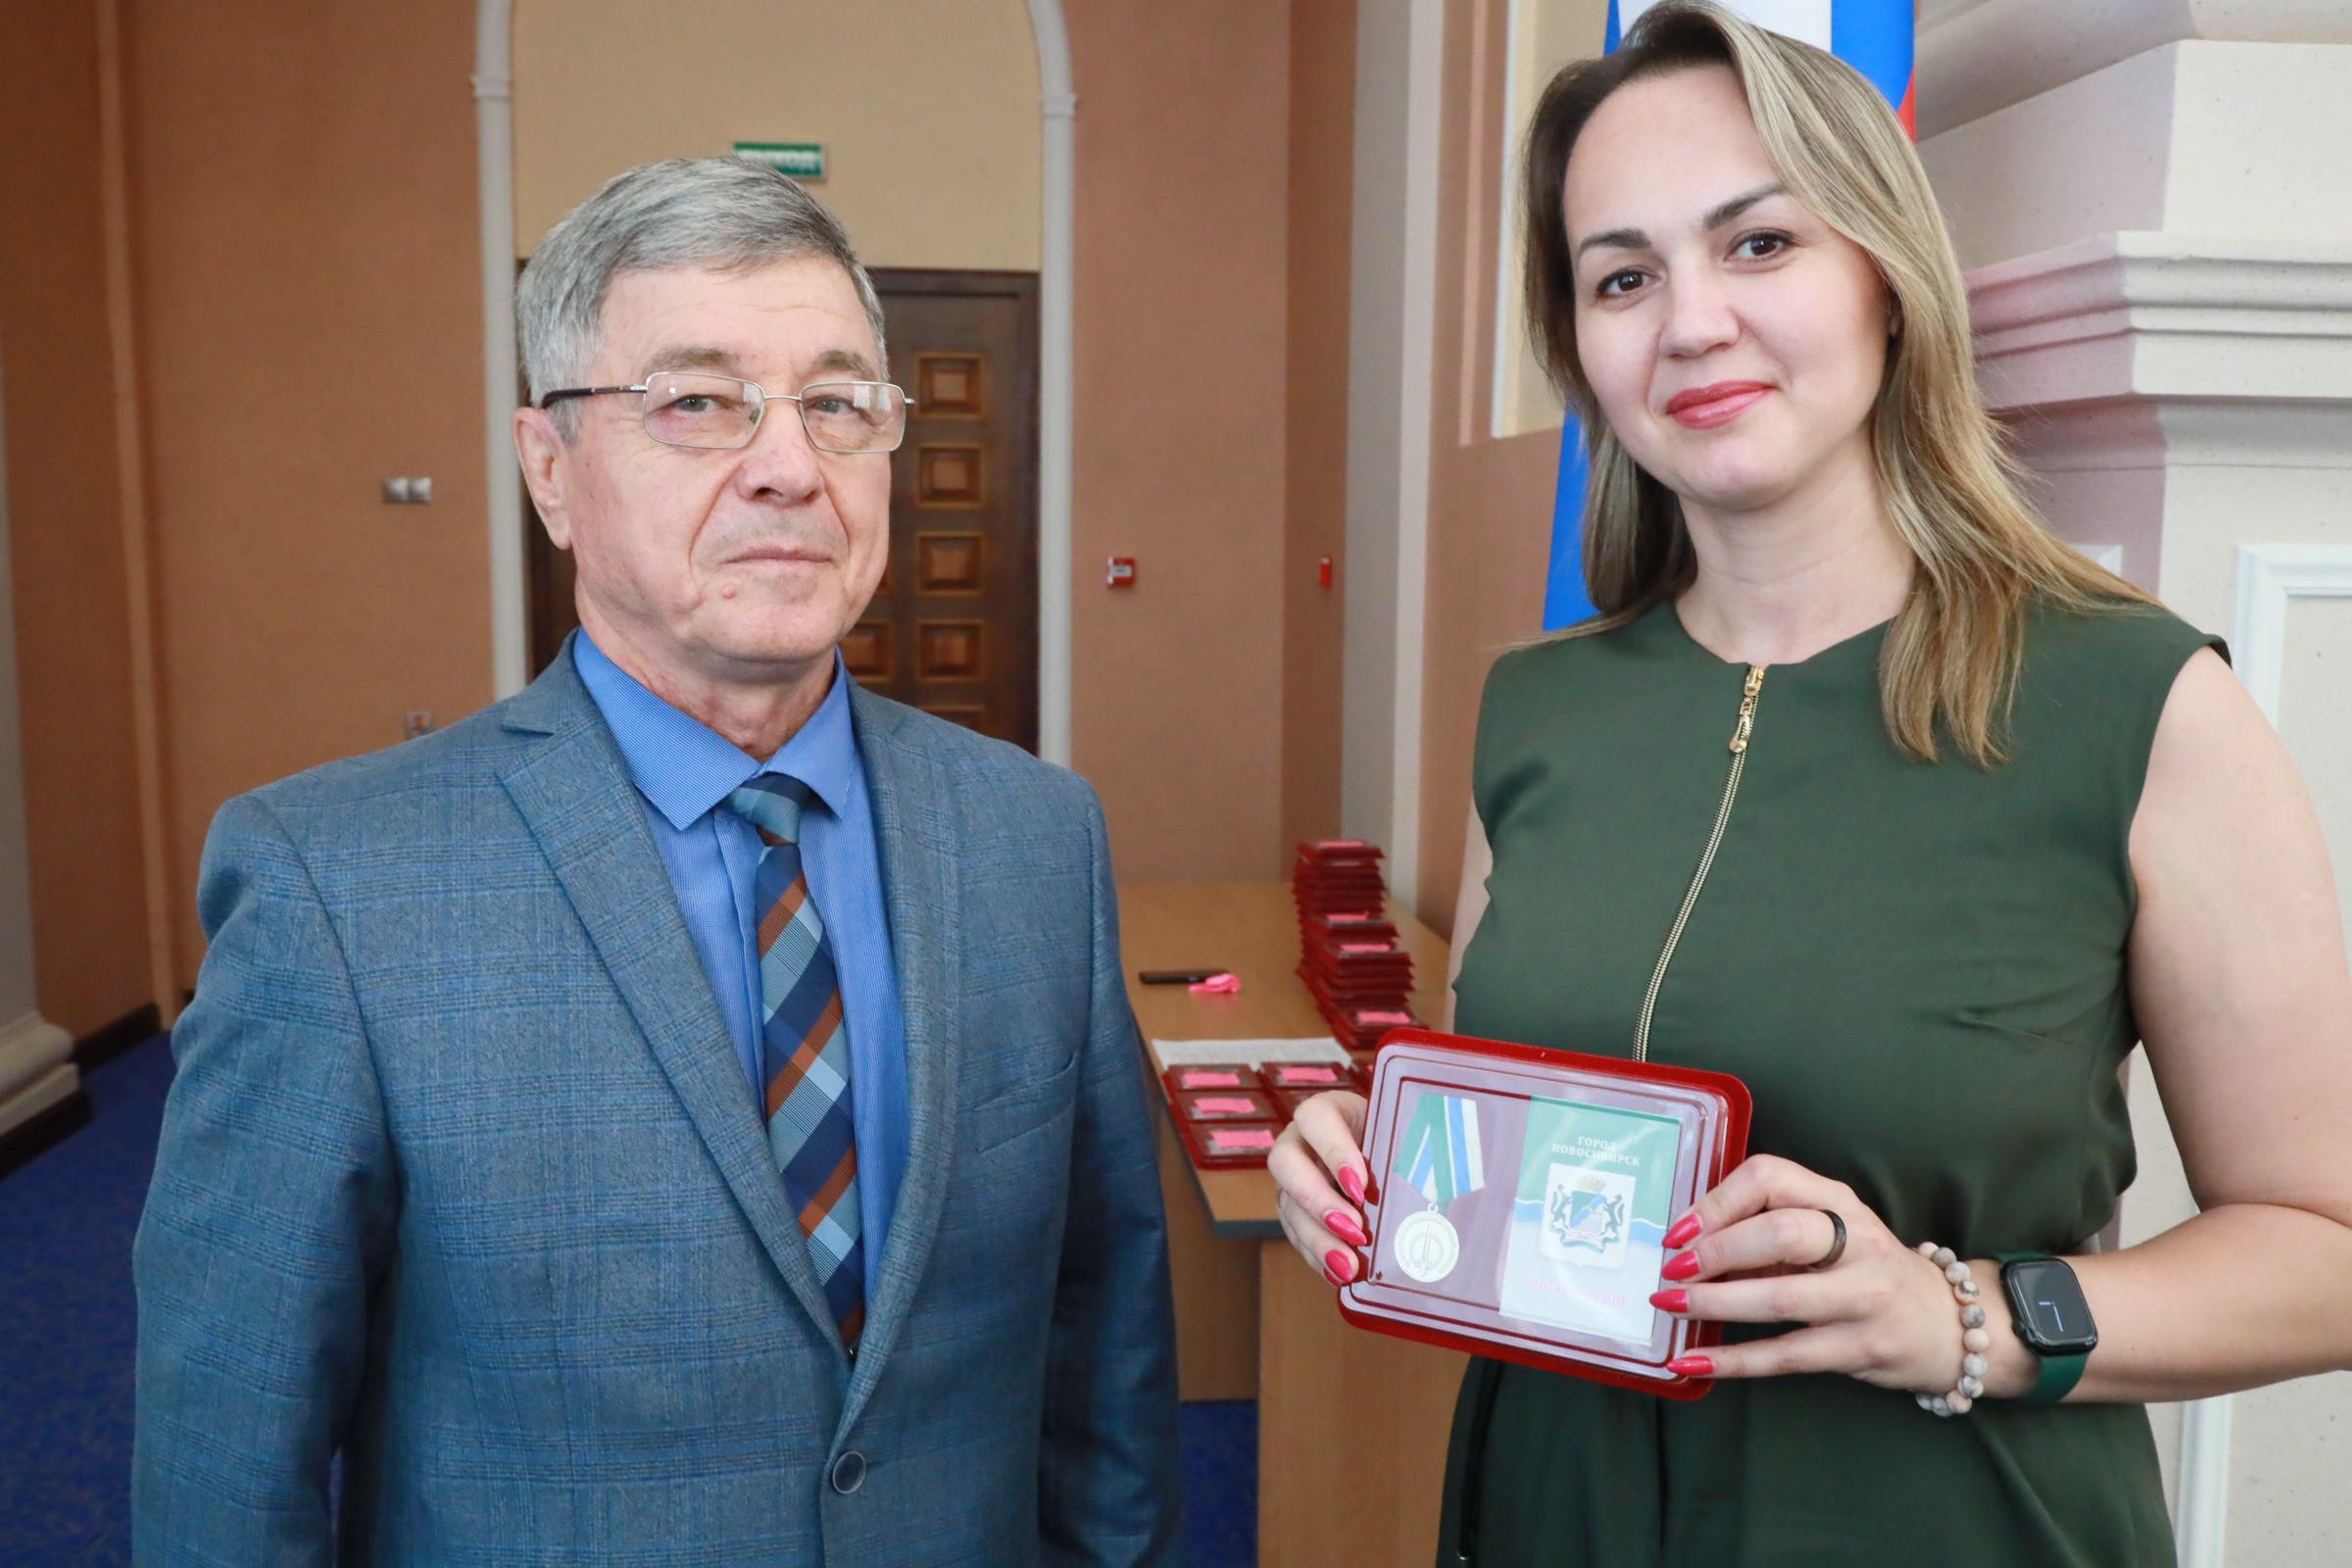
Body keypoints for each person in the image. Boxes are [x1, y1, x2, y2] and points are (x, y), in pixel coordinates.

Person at [1270, 6, 2352, 1564]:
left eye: (1760, 243)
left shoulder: (2138, 702)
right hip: (1549, 1515)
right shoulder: (1539, 712)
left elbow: (2326, 1247)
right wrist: (1376, 1167)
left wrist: (1965, 1316)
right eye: (1622, 277)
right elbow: (1527, 1135)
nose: (1691, 322)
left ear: (1885, 279)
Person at [133, 158, 1179, 1566]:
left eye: (836, 403)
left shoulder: (1037, 837)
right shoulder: (333, 888)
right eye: (696, 402)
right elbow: (228, 1459)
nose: (790, 466)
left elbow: (1103, 1335)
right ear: (549, 470)